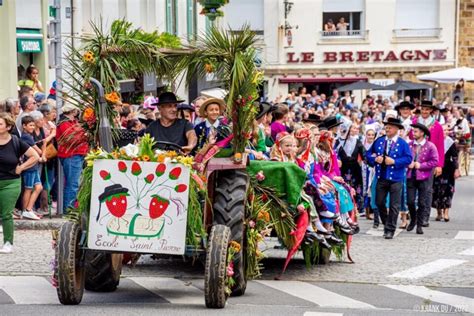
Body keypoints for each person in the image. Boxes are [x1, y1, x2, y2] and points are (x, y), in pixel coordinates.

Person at [366, 117, 412, 239]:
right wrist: (375, 159)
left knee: (394, 205)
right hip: (381, 176)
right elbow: (368, 154)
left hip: (396, 178)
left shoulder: (402, 143)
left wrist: (394, 161)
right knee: (379, 202)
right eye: (386, 127)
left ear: (397, 129)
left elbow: (408, 159)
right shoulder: (379, 141)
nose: (387, 129)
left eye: (390, 127)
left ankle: (390, 229)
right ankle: (387, 223)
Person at [0, 113, 39, 253]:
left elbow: (35, 156)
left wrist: (21, 168)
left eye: (0, 124)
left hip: (10, 183)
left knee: (6, 214)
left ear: (8, 127)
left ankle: (8, 243)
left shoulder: (16, 141)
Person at [411, 100, 444, 227]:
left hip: (429, 162)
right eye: (423, 109)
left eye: (427, 109)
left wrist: (439, 164)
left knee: (427, 190)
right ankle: (414, 216)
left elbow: (440, 146)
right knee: (412, 190)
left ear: (431, 110)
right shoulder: (414, 123)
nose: (424, 111)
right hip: (414, 161)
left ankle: (425, 217)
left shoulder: (437, 126)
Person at [56, 103, 89, 214]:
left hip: (76, 154)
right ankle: (69, 211)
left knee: (74, 184)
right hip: (71, 155)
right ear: (74, 111)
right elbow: (71, 139)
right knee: (72, 184)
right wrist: (85, 135)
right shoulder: (64, 123)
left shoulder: (72, 122)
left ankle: (71, 209)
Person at [406, 123, 439, 235]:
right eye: (413, 131)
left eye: (415, 131)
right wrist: (408, 163)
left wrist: (421, 165)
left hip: (424, 177)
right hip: (411, 176)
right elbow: (404, 158)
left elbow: (435, 161)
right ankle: (413, 219)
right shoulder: (409, 144)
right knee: (410, 201)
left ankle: (419, 225)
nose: (413, 133)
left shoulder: (430, 146)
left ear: (422, 133)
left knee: (422, 202)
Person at [432, 124, 460, 222]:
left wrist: (456, 169)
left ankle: (446, 213)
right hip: (436, 168)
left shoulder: (450, 142)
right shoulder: (434, 141)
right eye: (442, 130)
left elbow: (455, 157)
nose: (444, 132)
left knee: (448, 190)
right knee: (436, 190)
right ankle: (439, 213)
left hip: (448, 168)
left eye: (446, 130)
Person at [336, 123, 365, 213]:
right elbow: (334, 154)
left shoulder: (357, 141)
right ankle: (345, 207)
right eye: (353, 128)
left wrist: (371, 160)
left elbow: (364, 154)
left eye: (356, 128)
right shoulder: (337, 141)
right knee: (344, 187)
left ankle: (357, 207)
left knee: (356, 187)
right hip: (342, 169)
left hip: (355, 169)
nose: (354, 130)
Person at [20, 115, 44, 220]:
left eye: (33, 125)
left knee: (38, 187)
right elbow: (38, 152)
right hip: (29, 166)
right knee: (28, 189)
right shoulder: (26, 137)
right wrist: (45, 144)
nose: (32, 127)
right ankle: (25, 210)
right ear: (24, 126)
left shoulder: (30, 136)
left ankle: (28, 209)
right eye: (30, 125)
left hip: (34, 166)